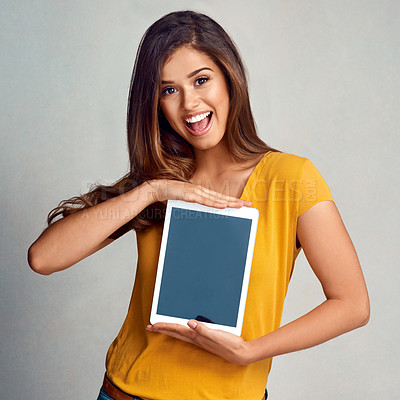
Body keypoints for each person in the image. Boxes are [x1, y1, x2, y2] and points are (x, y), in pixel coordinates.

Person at [27, 10, 370, 400]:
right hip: (126, 392)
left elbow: (352, 303)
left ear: (229, 79)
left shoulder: (291, 179)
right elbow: (43, 258)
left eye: (201, 80)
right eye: (168, 90)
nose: (190, 103)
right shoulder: (157, 182)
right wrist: (152, 192)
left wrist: (251, 352)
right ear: (154, 103)